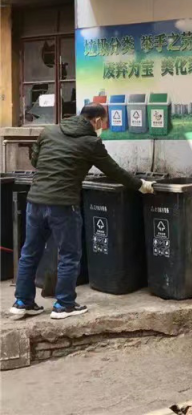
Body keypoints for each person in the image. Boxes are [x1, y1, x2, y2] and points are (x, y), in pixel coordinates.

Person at [10, 103, 155, 320]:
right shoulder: (91, 142)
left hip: (35, 201)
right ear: (96, 121)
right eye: (104, 122)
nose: (103, 127)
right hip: (63, 205)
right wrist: (140, 185)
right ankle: (64, 304)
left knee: (29, 252)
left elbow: (36, 160)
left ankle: (22, 302)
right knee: (69, 255)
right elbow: (114, 171)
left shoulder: (49, 131)